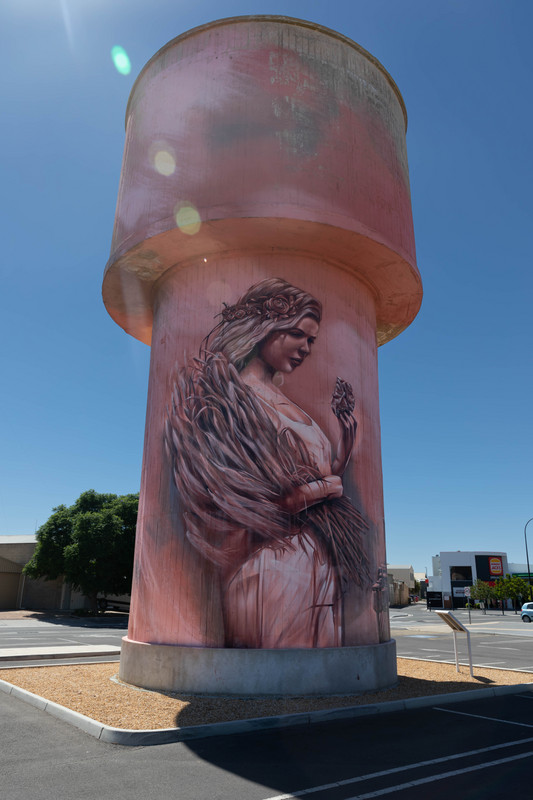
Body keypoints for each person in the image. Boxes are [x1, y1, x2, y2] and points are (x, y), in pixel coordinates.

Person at [165, 277, 370, 648]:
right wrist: (325, 489)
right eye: (296, 335)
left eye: (311, 340)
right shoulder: (236, 401)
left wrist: (346, 442)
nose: (306, 348)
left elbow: (311, 475)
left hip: (315, 562)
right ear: (264, 329)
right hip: (273, 567)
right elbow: (252, 504)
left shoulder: (278, 397)